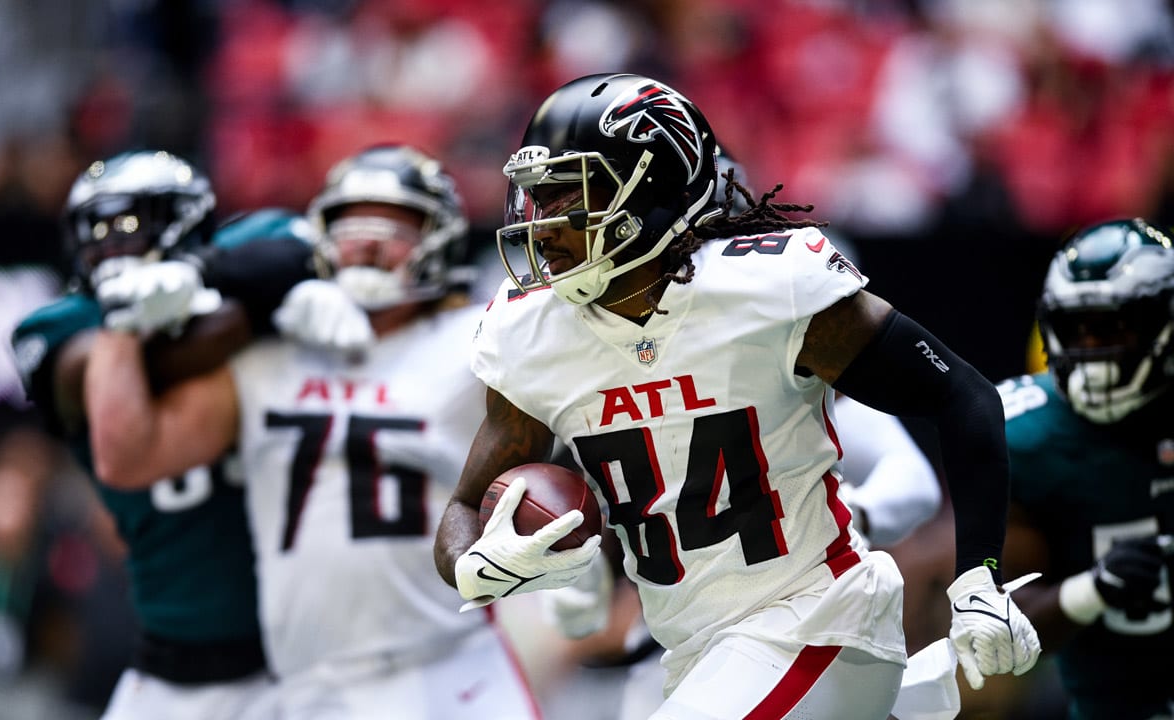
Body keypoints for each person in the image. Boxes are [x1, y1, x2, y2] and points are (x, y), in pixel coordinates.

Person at [432, 72, 1039, 719]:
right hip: (693, 649)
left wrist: (978, 578)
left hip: (817, 619)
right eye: (537, 199)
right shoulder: (531, 332)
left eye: (569, 197)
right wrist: (475, 564)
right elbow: (466, 507)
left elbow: (964, 396)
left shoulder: (763, 290)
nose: (543, 225)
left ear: (654, 193)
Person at [82, 143, 541, 719]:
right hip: (310, 686)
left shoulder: (478, 341)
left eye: (395, 226)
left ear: (439, 237)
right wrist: (119, 321)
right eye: (351, 227)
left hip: (446, 663)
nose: (369, 245)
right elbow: (130, 455)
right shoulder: (268, 352)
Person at [10, 150, 318, 720]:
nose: (108, 248)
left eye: (127, 226)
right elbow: (86, 368)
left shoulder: (239, 249)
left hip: (301, 665)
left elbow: (308, 249)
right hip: (174, 670)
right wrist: (255, 312)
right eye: (94, 232)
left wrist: (199, 277)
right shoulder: (58, 329)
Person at [1001, 218, 1174, 720]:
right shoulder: (1028, 436)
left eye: (1113, 327)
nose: (1094, 351)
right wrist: (1093, 590)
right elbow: (1006, 624)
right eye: (1078, 330)